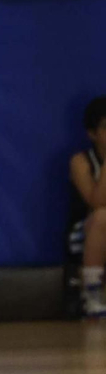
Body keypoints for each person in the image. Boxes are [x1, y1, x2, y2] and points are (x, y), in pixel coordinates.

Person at [70, 97, 106, 318]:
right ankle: (92, 295)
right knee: (102, 216)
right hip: (85, 233)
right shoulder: (81, 162)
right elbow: (97, 202)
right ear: (92, 134)